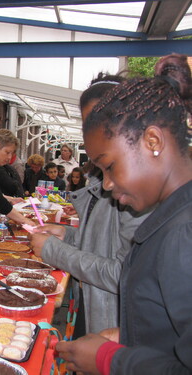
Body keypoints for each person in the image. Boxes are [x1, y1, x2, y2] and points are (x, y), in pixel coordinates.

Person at [55, 54, 192, 374]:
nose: (107, 183)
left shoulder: (183, 236)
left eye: (110, 166)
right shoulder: (169, 220)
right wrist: (128, 338)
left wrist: (110, 360)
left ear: (153, 141)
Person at [29, 72, 150, 338]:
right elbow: (104, 243)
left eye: (98, 120)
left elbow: (123, 274)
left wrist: (54, 250)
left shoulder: (136, 189)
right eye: (86, 123)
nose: (91, 132)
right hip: (94, 303)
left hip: (113, 319)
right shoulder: (107, 176)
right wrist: (68, 234)